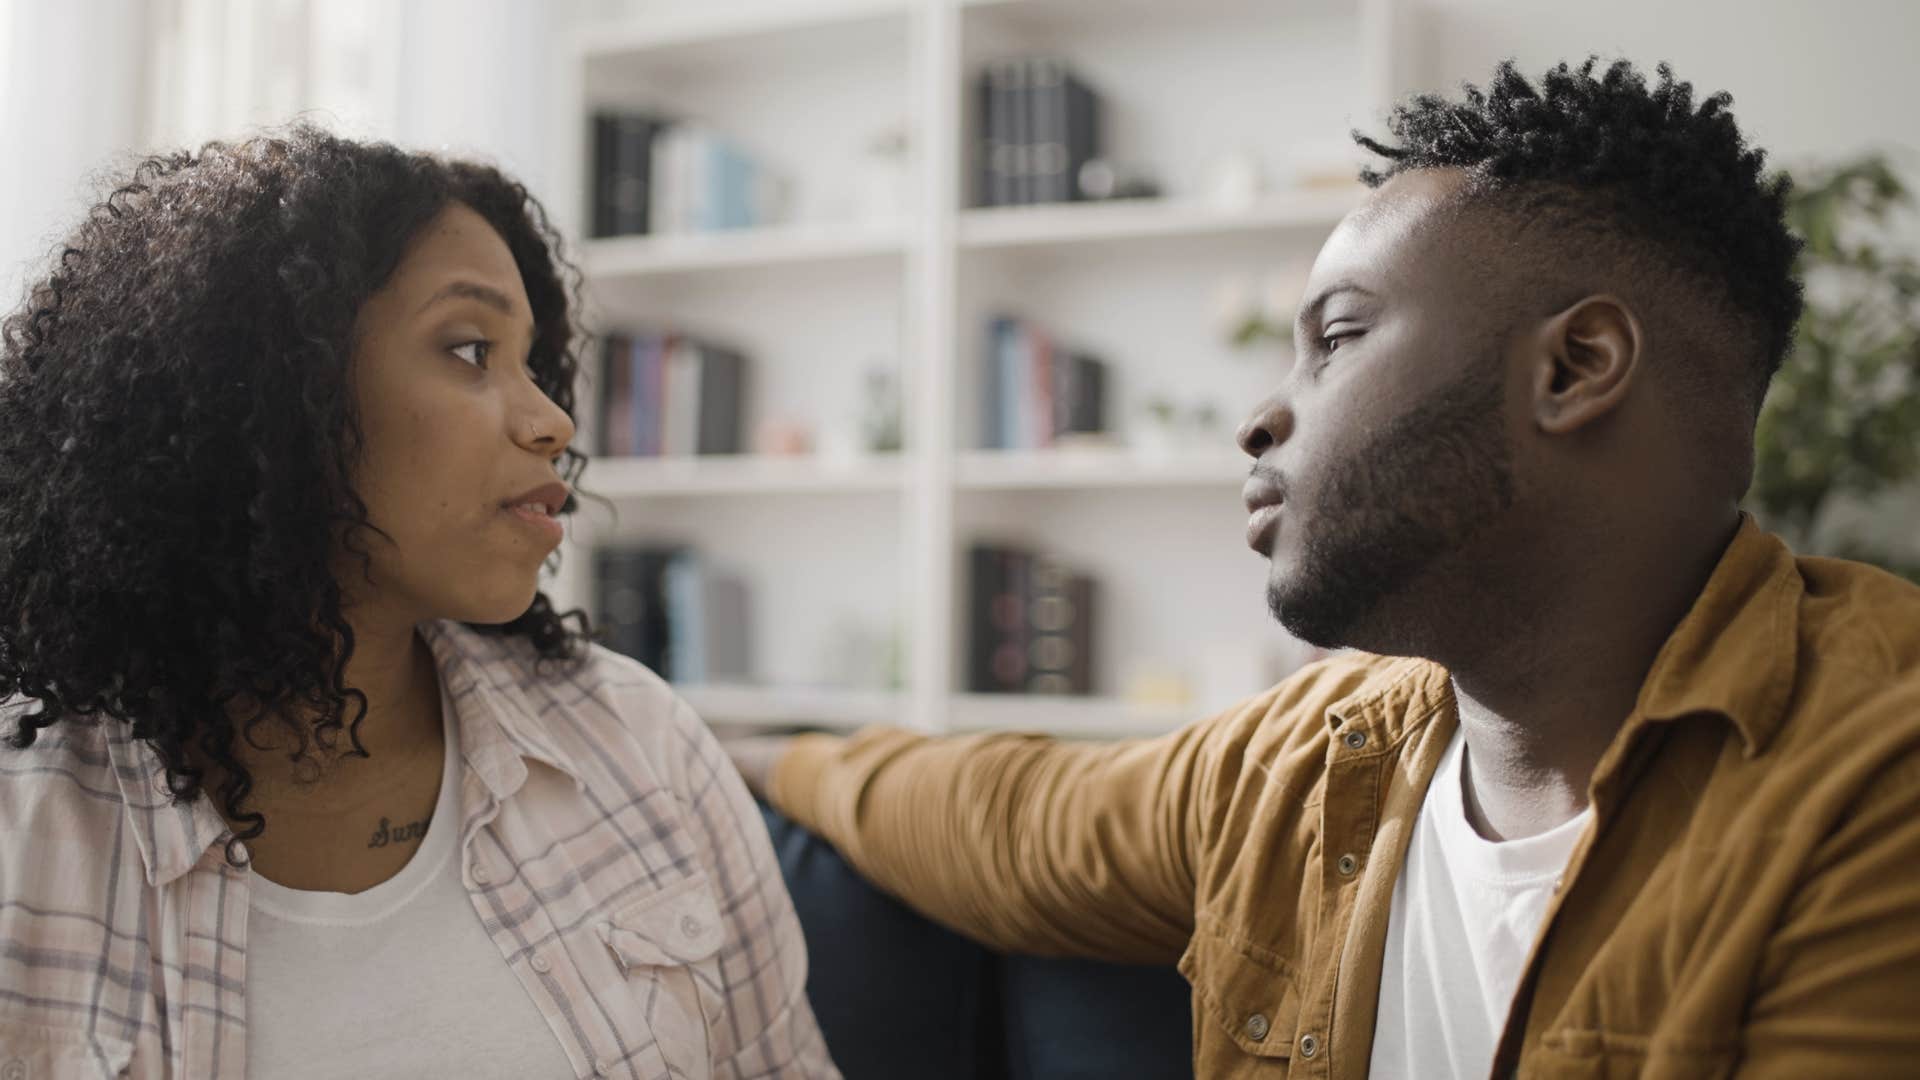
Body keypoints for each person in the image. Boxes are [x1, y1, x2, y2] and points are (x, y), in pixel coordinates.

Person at [731, 58, 1920, 1077]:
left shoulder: (1875, 778)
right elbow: (1013, 819)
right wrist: (741, 759)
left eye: (1336, 339)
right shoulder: (1312, 761)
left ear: (1576, 367)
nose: (1259, 418)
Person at [0, 126, 838, 1080]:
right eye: (471, 349)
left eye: (533, 363)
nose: (553, 421)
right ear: (281, 390)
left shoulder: (639, 745)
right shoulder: (26, 829)